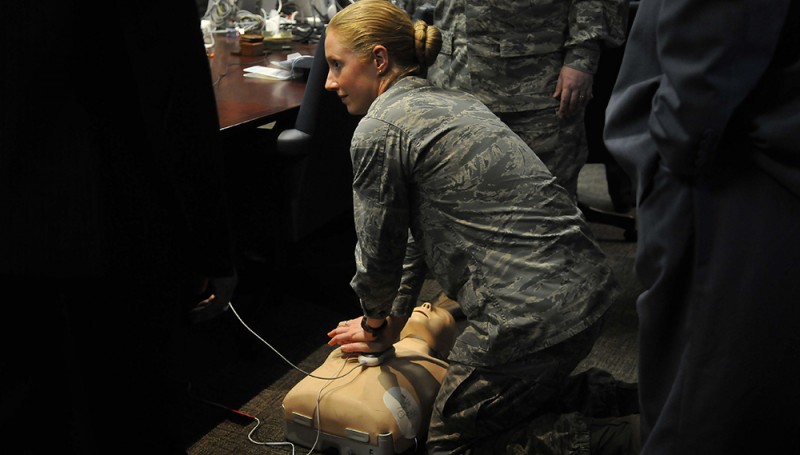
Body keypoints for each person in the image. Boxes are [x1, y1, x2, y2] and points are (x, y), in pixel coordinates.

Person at [322, 1, 636, 453]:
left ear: (379, 59)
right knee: (510, 400)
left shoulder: (380, 129)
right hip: (586, 288)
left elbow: (379, 253)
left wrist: (373, 325)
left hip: (529, 318)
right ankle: (648, 404)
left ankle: (637, 440)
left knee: (450, 440)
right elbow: (410, 241)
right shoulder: (455, 101)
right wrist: (391, 321)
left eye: (337, 65)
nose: (329, 82)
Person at [0, 1, 236, 453]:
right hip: (119, 228)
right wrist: (211, 248)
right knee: (131, 416)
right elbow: (178, 99)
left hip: (18, 233)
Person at [603, 0, 800, 453]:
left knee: (700, 409)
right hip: (739, 150)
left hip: (723, 169)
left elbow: (704, 69)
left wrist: (671, 150)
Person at [423, 0, 629, 199]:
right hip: (452, 81)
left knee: (543, 200)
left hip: (534, 83)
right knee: (457, 199)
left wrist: (582, 57)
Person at [284, 299, 459, 454]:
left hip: (326, 412)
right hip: (322, 404)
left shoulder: (441, 372)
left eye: (440, 314)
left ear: (446, 348)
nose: (426, 305)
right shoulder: (365, 342)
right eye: (420, 305)